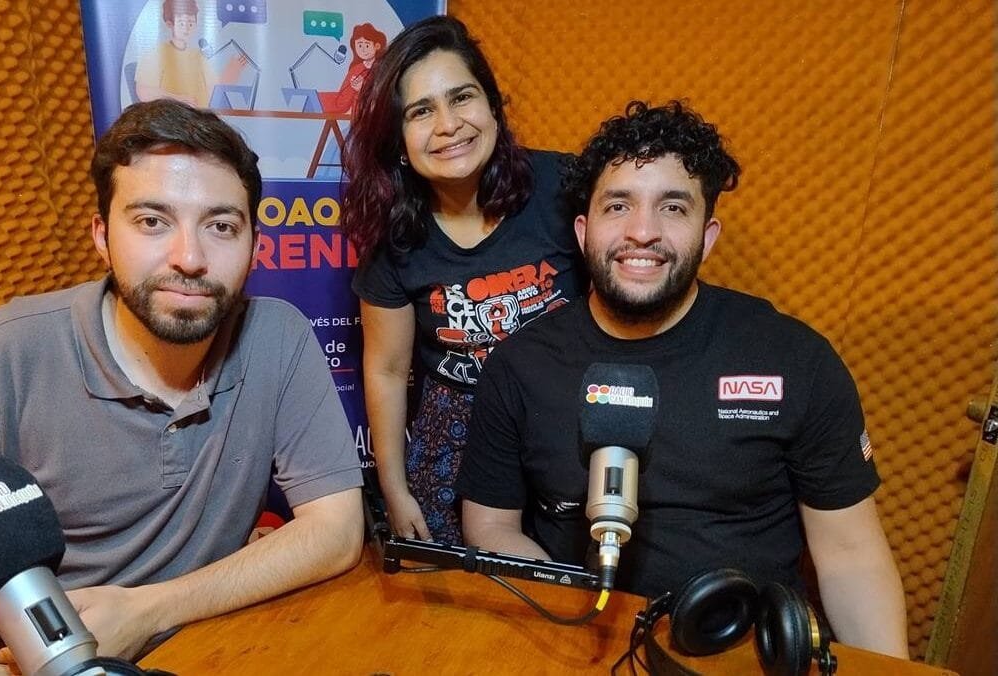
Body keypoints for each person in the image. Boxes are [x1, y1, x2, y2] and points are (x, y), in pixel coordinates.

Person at [0, 99, 364, 672]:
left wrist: (147, 611)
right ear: (102, 235)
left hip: (195, 631)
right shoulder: (4, 351)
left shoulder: (279, 337)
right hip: (6, 654)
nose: (190, 258)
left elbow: (337, 530)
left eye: (221, 226)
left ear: (255, 243)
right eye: (153, 221)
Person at [456, 100, 909, 657]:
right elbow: (491, 526)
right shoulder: (520, 364)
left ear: (707, 235)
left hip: (739, 651)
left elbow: (851, 555)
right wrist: (567, 619)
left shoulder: (797, 360)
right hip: (579, 638)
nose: (642, 232)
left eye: (673, 207)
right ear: (583, 231)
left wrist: (891, 672)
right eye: (618, 205)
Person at [341, 16, 588, 546]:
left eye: (462, 97)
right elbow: (387, 370)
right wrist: (395, 488)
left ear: (493, 107)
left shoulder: (565, 187)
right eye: (421, 111)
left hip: (566, 421)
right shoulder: (395, 236)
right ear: (399, 141)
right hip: (456, 434)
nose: (448, 124)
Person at [134, 0, 245, 108]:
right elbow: (144, 91)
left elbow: (213, 91)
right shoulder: (156, 54)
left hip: (200, 116)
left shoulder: (199, 56)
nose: (186, 28)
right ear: (170, 24)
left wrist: (232, 73)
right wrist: (178, 99)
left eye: (191, 23)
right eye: (181, 23)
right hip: (171, 117)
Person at [318, 23, 387, 115]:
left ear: (377, 46)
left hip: (370, 114)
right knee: (317, 99)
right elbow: (342, 98)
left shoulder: (382, 69)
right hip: (352, 110)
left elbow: (383, 97)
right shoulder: (356, 69)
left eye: (367, 46)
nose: (363, 50)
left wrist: (362, 88)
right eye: (359, 46)